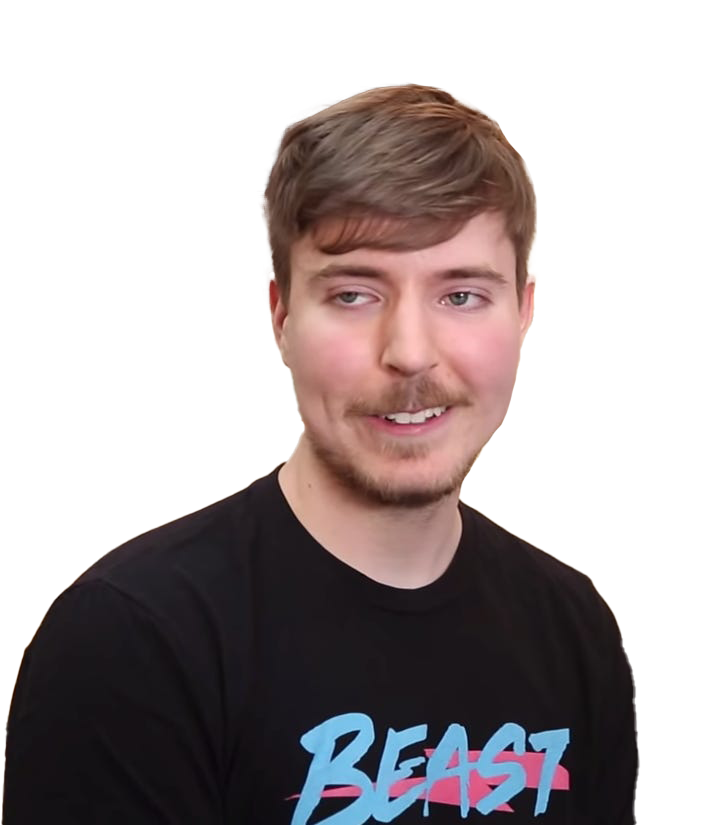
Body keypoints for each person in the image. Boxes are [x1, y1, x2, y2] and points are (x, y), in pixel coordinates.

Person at [2, 82, 639, 823]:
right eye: (354, 295)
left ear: (527, 310)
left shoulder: (574, 631)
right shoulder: (131, 642)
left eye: (461, 295)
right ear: (280, 314)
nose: (409, 353)